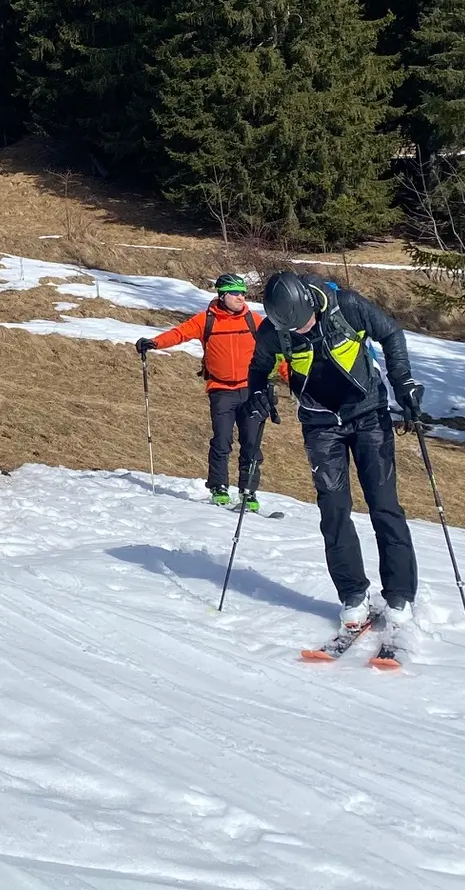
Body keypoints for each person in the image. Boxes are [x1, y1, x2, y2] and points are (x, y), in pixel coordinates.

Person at [243, 271, 429, 636]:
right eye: (292, 329)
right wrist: (258, 393)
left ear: (312, 303)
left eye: (304, 324)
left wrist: (403, 381)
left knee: (384, 505)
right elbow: (258, 369)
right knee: (333, 509)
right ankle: (353, 594)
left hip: (369, 416)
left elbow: (391, 333)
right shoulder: (273, 330)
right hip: (320, 424)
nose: (300, 331)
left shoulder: (348, 306)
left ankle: (399, 595)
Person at [135, 274, 274, 510]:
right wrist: (155, 342)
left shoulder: (254, 321)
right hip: (221, 391)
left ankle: (248, 492)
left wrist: (293, 379)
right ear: (222, 295)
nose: (241, 297)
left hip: (251, 391)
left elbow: (274, 350)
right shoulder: (206, 320)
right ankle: (219, 488)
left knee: (251, 442)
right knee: (221, 441)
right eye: (235, 293)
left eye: (243, 292)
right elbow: (179, 333)